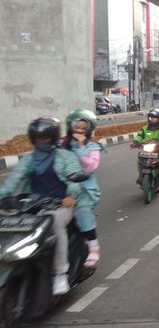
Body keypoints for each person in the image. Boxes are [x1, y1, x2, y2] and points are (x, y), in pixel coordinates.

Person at [0, 117, 86, 295]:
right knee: (6, 221)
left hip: (59, 204)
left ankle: (60, 274)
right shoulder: (29, 160)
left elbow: (74, 177)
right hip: (32, 203)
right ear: (33, 139)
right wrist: (3, 196)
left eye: (45, 138)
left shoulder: (65, 156)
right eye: (38, 139)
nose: (42, 142)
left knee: (55, 224)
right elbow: (13, 180)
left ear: (53, 138)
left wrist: (71, 195)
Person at [61, 109, 103, 269]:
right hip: (62, 188)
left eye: (83, 128)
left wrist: (80, 146)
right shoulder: (62, 145)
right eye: (76, 127)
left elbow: (89, 167)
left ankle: (93, 246)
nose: (79, 131)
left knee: (82, 210)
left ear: (89, 130)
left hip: (85, 189)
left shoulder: (93, 147)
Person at [131, 109, 159, 185]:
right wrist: (135, 142)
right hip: (146, 150)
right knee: (140, 161)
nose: (152, 119)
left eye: (154, 117)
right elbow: (139, 136)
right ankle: (141, 175)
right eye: (151, 117)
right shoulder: (144, 128)